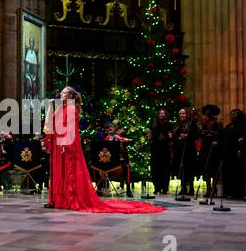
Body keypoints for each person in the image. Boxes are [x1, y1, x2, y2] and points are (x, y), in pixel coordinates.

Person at [43, 86, 164, 214]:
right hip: (59, 145)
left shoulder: (72, 109)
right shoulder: (61, 108)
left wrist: (66, 144)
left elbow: (71, 130)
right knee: (59, 172)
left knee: (68, 172)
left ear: (71, 96)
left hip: (66, 146)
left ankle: (69, 200)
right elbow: (48, 124)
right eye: (61, 93)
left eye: (64, 93)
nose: (61, 94)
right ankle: (57, 200)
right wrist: (50, 106)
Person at [218, 109, 246, 200]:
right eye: (231, 114)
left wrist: (240, 150)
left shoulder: (243, 125)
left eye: (234, 114)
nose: (232, 116)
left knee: (237, 173)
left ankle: (237, 193)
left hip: (237, 152)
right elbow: (222, 136)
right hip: (227, 153)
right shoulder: (229, 126)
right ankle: (228, 192)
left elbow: (242, 138)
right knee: (227, 173)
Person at [171, 108, 199, 195]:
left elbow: (196, 135)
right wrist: (178, 137)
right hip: (179, 150)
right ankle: (183, 188)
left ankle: (191, 189)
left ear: (187, 115)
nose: (182, 115)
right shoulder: (177, 124)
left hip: (189, 150)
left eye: (183, 113)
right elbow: (175, 135)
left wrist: (187, 135)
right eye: (180, 113)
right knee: (181, 168)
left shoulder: (192, 123)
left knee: (189, 169)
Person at [198, 105, 223, 197]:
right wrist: (202, 132)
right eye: (206, 111)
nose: (207, 113)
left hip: (214, 148)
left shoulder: (217, 122)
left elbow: (221, 134)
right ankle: (208, 189)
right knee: (206, 169)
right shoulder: (205, 122)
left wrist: (214, 136)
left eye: (209, 111)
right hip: (205, 147)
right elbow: (200, 134)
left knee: (214, 169)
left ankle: (214, 188)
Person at [103, 122, 134, 197]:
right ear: (106, 130)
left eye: (111, 127)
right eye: (108, 127)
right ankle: (103, 188)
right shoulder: (106, 139)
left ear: (114, 128)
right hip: (109, 160)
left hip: (120, 160)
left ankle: (128, 189)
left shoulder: (119, 137)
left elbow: (131, 142)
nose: (109, 128)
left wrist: (122, 141)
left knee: (126, 167)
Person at [150, 108, 173, 194]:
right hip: (156, 150)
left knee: (165, 170)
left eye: (163, 113)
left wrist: (167, 137)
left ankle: (165, 188)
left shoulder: (169, 125)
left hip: (165, 150)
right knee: (156, 169)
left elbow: (171, 136)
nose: (161, 115)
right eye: (160, 113)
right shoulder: (154, 124)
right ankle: (157, 187)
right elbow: (153, 136)